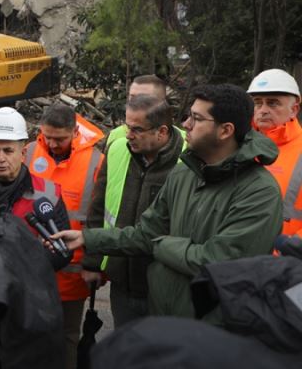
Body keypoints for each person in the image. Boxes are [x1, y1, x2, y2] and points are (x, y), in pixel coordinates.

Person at [52, 84, 284, 323]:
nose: (186, 125)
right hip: (163, 317)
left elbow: (220, 261)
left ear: (225, 130)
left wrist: (162, 245)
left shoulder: (260, 192)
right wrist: (87, 239)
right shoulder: (184, 174)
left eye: (196, 118)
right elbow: (145, 234)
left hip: (214, 330)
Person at [82, 95, 185, 328]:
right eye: (128, 126)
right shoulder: (118, 150)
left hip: (164, 286)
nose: (128, 135)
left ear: (162, 132)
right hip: (122, 283)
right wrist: (92, 263)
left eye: (137, 129)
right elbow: (98, 210)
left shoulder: (188, 161)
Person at [22, 104, 103, 369]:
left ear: (74, 132)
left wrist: (93, 264)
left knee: (67, 337)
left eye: (61, 138)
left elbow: (99, 216)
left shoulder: (95, 161)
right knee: (31, 335)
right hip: (31, 267)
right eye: (48, 137)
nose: (53, 144)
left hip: (73, 270)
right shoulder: (30, 152)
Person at [0, 107, 73, 270]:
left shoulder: (49, 194)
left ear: (22, 153)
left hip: (29, 290)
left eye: (8, 151)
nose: (1, 158)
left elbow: (63, 252)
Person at [247, 69, 302, 238]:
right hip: (237, 257)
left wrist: (291, 249)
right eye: (258, 102)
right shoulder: (238, 145)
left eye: (273, 103)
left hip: (286, 260)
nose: (263, 110)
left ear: (294, 109)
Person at [106, 75, 168, 149]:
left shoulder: (183, 141)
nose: (135, 102)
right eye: (132, 97)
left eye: (143, 98)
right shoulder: (116, 134)